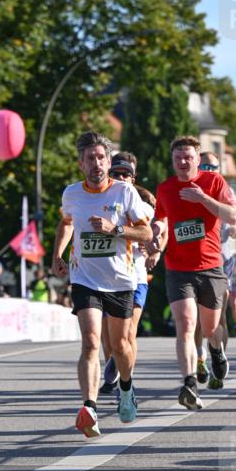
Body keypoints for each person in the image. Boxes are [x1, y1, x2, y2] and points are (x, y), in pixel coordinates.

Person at [52, 131, 152, 436]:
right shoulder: (72, 194)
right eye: (90, 158)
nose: (96, 163)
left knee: (120, 346)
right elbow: (66, 222)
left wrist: (115, 228)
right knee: (91, 342)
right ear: (81, 163)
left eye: (101, 158)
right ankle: (90, 407)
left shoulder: (123, 193)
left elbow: (146, 234)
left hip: (120, 279)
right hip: (84, 278)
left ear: (108, 162)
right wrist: (57, 254)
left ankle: (126, 387)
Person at [148, 136, 236, 410]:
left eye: (188, 157)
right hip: (178, 269)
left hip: (211, 267)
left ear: (198, 160)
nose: (183, 162)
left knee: (210, 327)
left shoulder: (214, 183)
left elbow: (232, 216)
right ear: (173, 161)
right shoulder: (165, 189)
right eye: (178, 158)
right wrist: (156, 232)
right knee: (186, 325)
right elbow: (160, 218)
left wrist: (203, 198)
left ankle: (215, 347)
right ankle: (188, 383)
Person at [99, 152, 154, 396]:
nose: (121, 178)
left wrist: (156, 248)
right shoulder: (97, 197)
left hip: (135, 277)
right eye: (116, 174)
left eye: (126, 174)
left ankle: (124, 378)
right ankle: (115, 368)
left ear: (133, 178)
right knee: (107, 338)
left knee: (128, 332)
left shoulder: (143, 203)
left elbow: (154, 232)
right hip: (101, 277)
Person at [190, 151, 236, 390]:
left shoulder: (225, 189)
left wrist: (233, 230)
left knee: (218, 318)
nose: (209, 170)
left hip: (222, 261)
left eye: (214, 166)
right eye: (205, 165)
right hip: (194, 261)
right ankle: (200, 358)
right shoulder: (189, 188)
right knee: (196, 318)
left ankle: (218, 360)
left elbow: (235, 219)